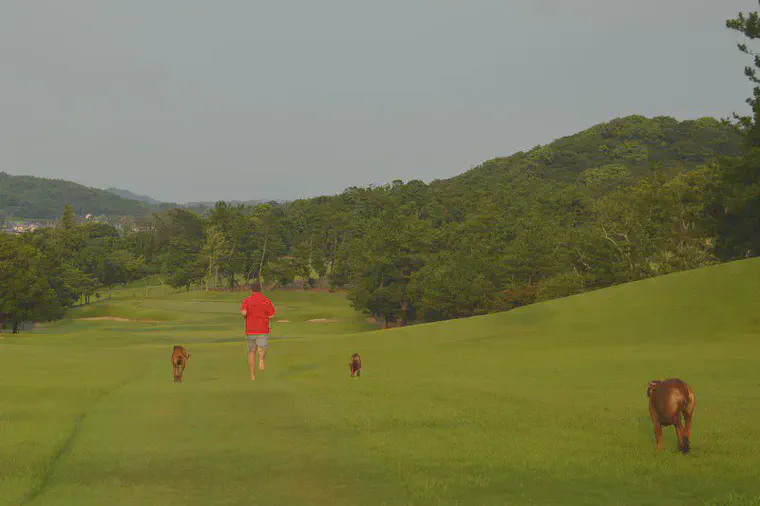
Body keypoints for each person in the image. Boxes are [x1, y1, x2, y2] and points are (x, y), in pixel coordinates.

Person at [240, 281, 276, 380]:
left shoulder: (247, 300)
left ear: (251, 290)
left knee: (251, 352)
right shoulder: (266, 300)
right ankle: (261, 359)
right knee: (261, 347)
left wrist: (246, 314)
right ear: (260, 289)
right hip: (262, 329)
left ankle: (252, 375)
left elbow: (243, 313)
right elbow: (272, 314)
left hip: (250, 330)